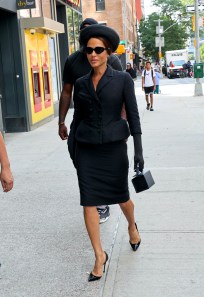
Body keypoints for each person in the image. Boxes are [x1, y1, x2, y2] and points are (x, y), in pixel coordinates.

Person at [72, 24, 144, 282]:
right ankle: (99, 255)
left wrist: (139, 150)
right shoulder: (81, 83)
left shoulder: (122, 79)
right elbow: (78, 118)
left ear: (108, 51)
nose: (92, 54)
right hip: (87, 151)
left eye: (98, 50)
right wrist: (74, 149)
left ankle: (132, 226)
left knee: (122, 197)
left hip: (114, 149)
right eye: (89, 50)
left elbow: (134, 116)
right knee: (88, 202)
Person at [58, 18, 123, 224]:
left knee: (105, 164)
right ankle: (95, 191)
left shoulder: (110, 59)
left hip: (106, 122)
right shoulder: (73, 61)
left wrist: (121, 122)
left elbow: (123, 92)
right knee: (79, 159)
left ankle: (101, 202)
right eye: (84, 33)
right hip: (81, 123)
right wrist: (61, 121)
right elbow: (67, 92)